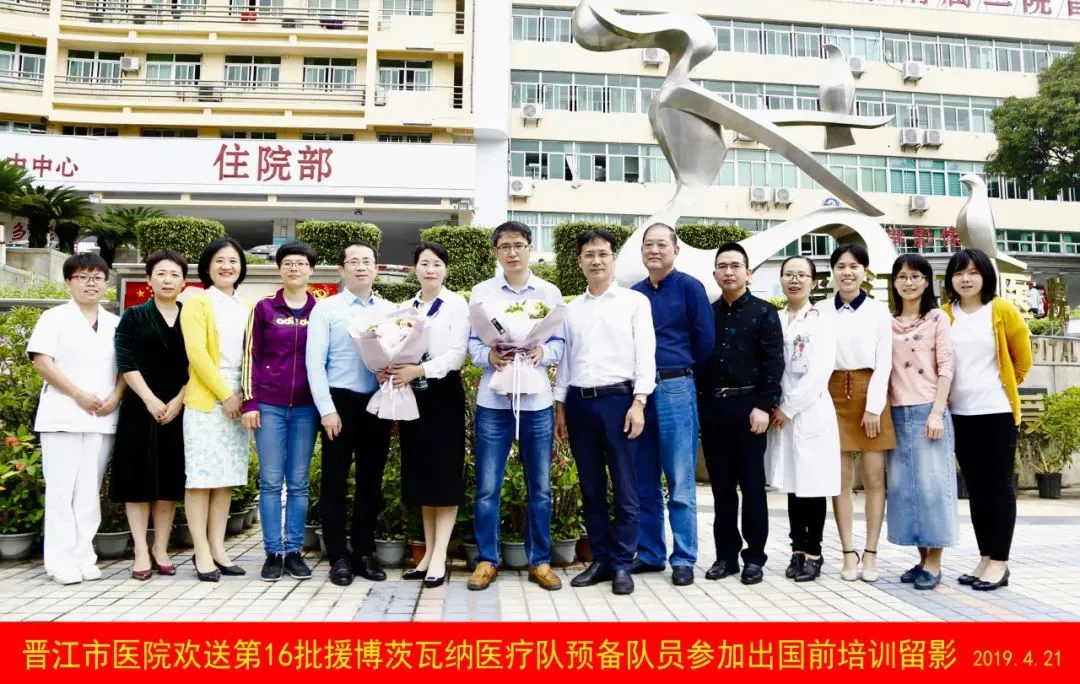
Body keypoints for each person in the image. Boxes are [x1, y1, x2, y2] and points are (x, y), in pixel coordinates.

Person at [555, 230, 655, 596]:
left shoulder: (634, 302)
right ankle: (600, 559)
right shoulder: (571, 309)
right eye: (589, 255)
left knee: (626, 486)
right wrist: (561, 406)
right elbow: (566, 360)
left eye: (602, 253)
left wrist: (639, 402)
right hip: (580, 403)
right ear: (579, 261)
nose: (596, 260)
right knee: (591, 486)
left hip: (620, 402)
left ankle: (623, 562)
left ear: (613, 258)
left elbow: (646, 354)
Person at [466, 221, 565, 592]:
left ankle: (540, 561)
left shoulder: (549, 292)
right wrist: (490, 356)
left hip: (536, 402)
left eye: (519, 245)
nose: (512, 252)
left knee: (540, 487)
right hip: (493, 402)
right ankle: (487, 560)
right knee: (487, 486)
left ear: (529, 248)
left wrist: (542, 353)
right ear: (496, 252)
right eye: (505, 246)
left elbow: (560, 343)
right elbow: (472, 344)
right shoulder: (482, 292)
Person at [27, 253, 124, 585]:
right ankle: (59, 561)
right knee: (61, 490)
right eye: (82, 277)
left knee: (88, 491)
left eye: (97, 277)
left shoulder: (115, 323)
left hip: (101, 416)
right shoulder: (54, 318)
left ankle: (84, 556)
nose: (90, 283)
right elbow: (42, 362)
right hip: (63, 415)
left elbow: (125, 368)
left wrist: (116, 397)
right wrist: (78, 394)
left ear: (106, 283)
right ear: (69, 282)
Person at [305, 241, 395, 586]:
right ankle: (338, 557)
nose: (361, 267)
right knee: (334, 481)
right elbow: (315, 364)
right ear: (342, 269)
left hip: (377, 403)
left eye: (367, 261)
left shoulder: (389, 310)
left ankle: (363, 553)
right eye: (353, 261)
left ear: (376, 268)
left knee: (370, 481)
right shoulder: (326, 309)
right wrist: (327, 410)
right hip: (339, 403)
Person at [942, 248, 1032, 591]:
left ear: (985, 276)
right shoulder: (944, 315)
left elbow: (1022, 360)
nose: (965, 279)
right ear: (950, 279)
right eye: (958, 273)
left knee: (999, 487)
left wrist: (998, 387)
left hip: (996, 412)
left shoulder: (1001, 310)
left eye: (973, 272)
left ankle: (999, 562)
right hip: (960, 414)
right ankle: (984, 557)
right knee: (976, 489)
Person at [630, 223, 714, 586]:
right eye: (648, 244)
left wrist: (683, 373)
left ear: (676, 250)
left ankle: (683, 557)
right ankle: (650, 553)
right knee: (643, 478)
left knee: (680, 478)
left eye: (661, 244)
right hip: (638, 394)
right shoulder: (634, 294)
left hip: (675, 386)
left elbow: (705, 341)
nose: (654, 250)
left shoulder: (690, 288)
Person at [699, 242, 783, 585]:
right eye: (722, 266)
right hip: (714, 410)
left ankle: (754, 558)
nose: (729, 272)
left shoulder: (765, 312)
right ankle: (725, 556)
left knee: (751, 487)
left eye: (735, 266)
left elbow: (774, 363)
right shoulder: (707, 314)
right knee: (721, 489)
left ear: (749, 273)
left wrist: (764, 405)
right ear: (715, 273)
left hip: (750, 409)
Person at [389, 242, 469, 589]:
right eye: (424, 263)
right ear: (415, 269)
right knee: (422, 474)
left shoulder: (456, 305)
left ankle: (439, 557)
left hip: (443, 393)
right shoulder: (405, 308)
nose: (430, 269)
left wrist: (420, 370)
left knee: (444, 474)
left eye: (437, 264)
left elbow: (457, 354)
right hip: (412, 394)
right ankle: (427, 553)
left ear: (445, 269)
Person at [241, 240, 319, 583]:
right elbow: (250, 356)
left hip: (307, 407)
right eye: (288, 263)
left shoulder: (320, 311)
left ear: (310, 270)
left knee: (299, 482)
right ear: (280, 268)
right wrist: (249, 401)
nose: (294, 268)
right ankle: (273, 552)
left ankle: (294, 551)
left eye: (301, 263)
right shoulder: (264, 308)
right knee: (272, 482)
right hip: (269, 406)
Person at [110, 250, 189, 581]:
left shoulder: (191, 317)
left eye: (174, 274)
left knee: (168, 481)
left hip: (179, 408)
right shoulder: (134, 316)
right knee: (137, 480)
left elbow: (200, 363)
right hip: (139, 408)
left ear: (184, 282)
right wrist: (150, 400)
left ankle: (161, 547)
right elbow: (125, 360)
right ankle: (141, 549)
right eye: (161, 273)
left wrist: (179, 401)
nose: (168, 280)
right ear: (149, 279)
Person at [180, 237, 251, 582]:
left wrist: (243, 395)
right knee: (201, 478)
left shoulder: (245, 305)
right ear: (207, 267)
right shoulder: (197, 300)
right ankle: (201, 552)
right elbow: (197, 354)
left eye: (233, 261)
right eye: (220, 260)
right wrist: (226, 395)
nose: (227, 266)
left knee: (225, 479)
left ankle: (218, 548)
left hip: (239, 396)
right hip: (208, 399)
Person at [765, 256, 839, 584]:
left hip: (810, 410)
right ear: (781, 279)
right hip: (781, 412)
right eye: (789, 274)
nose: (794, 280)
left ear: (813, 281)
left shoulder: (822, 320)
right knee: (793, 486)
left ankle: (814, 553)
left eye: (801, 275)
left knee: (813, 485)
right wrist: (776, 405)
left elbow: (819, 372)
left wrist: (789, 408)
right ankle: (796, 550)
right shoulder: (775, 318)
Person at [825, 244, 895, 583]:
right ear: (833, 272)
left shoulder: (880, 312)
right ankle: (847, 552)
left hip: (871, 394)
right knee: (839, 480)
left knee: (874, 478)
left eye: (854, 266)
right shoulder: (821, 311)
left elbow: (885, 364)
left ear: (865, 272)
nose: (847, 272)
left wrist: (873, 408)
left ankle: (871, 552)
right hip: (832, 395)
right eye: (841, 266)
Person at [887, 253, 957, 591]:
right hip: (896, 413)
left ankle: (934, 562)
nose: (909, 282)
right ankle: (921, 557)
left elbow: (946, 366)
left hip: (928, 411)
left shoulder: (937, 318)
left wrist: (936, 412)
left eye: (916, 276)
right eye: (902, 276)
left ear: (927, 282)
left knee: (932, 488)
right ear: (894, 282)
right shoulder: (887, 321)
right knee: (905, 490)